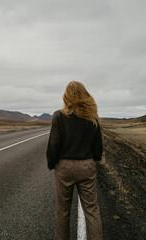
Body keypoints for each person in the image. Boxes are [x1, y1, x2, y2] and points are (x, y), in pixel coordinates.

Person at [46, 81, 103, 240]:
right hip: (86, 166)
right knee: (92, 210)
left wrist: (52, 163)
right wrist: (94, 159)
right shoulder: (92, 117)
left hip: (65, 167)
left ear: (66, 96)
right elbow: (98, 147)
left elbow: (54, 144)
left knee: (63, 212)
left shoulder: (59, 116)